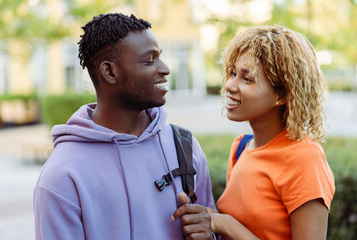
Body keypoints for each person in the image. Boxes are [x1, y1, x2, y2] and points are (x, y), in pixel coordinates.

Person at [33, 13, 216, 240]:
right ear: (109, 72)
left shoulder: (185, 146)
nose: (165, 69)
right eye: (149, 60)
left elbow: (214, 224)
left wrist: (210, 234)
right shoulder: (62, 175)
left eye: (160, 57)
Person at [173, 25, 335, 240]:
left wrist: (225, 223)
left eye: (247, 79)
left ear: (282, 94)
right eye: (233, 73)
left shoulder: (305, 157)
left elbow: (234, 226)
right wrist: (204, 217)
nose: (230, 85)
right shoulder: (241, 146)